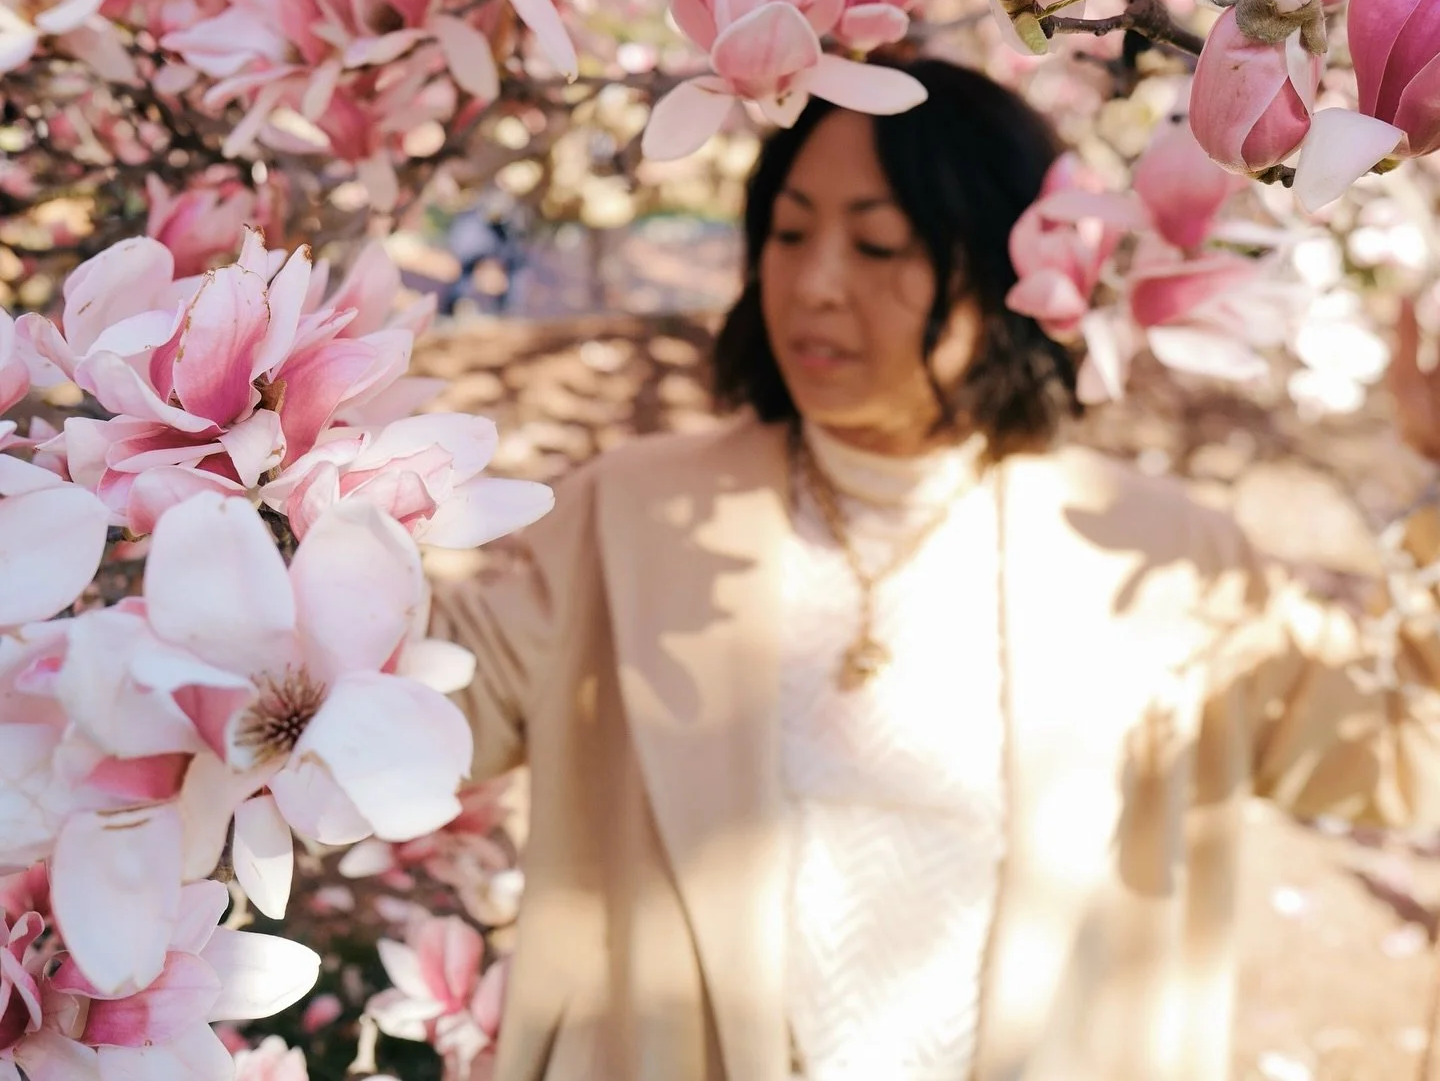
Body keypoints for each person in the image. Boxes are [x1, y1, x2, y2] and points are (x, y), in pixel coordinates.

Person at [430, 57, 1440, 1081]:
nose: (815, 281)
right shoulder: (633, 515)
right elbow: (420, 703)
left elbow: (1395, 754)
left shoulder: (1158, 559)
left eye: (881, 243)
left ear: (1013, 270)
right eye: (788, 232)